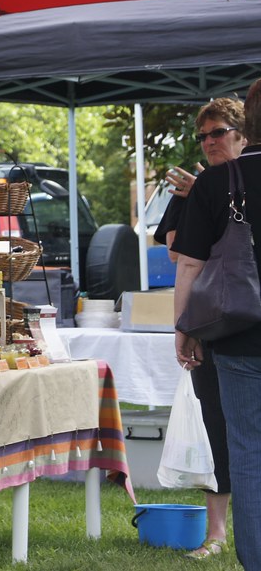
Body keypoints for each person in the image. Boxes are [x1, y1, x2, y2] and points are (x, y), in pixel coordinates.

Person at [173, 84, 261, 570]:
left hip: (239, 336)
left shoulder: (216, 184)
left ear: (247, 123)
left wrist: (183, 328)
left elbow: (188, 266)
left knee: (247, 451)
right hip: (237, 341)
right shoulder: (210, 182)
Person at [156, 97, 246, 560]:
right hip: (218, 321)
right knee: (220, 426)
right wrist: (196, 202)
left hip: (233, 322)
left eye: (220, 132)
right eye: (204, 135)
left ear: (243, 131)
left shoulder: (232, 181)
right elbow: (176, 252)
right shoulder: (202, 188)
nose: (211, 141)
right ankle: (218, 533)